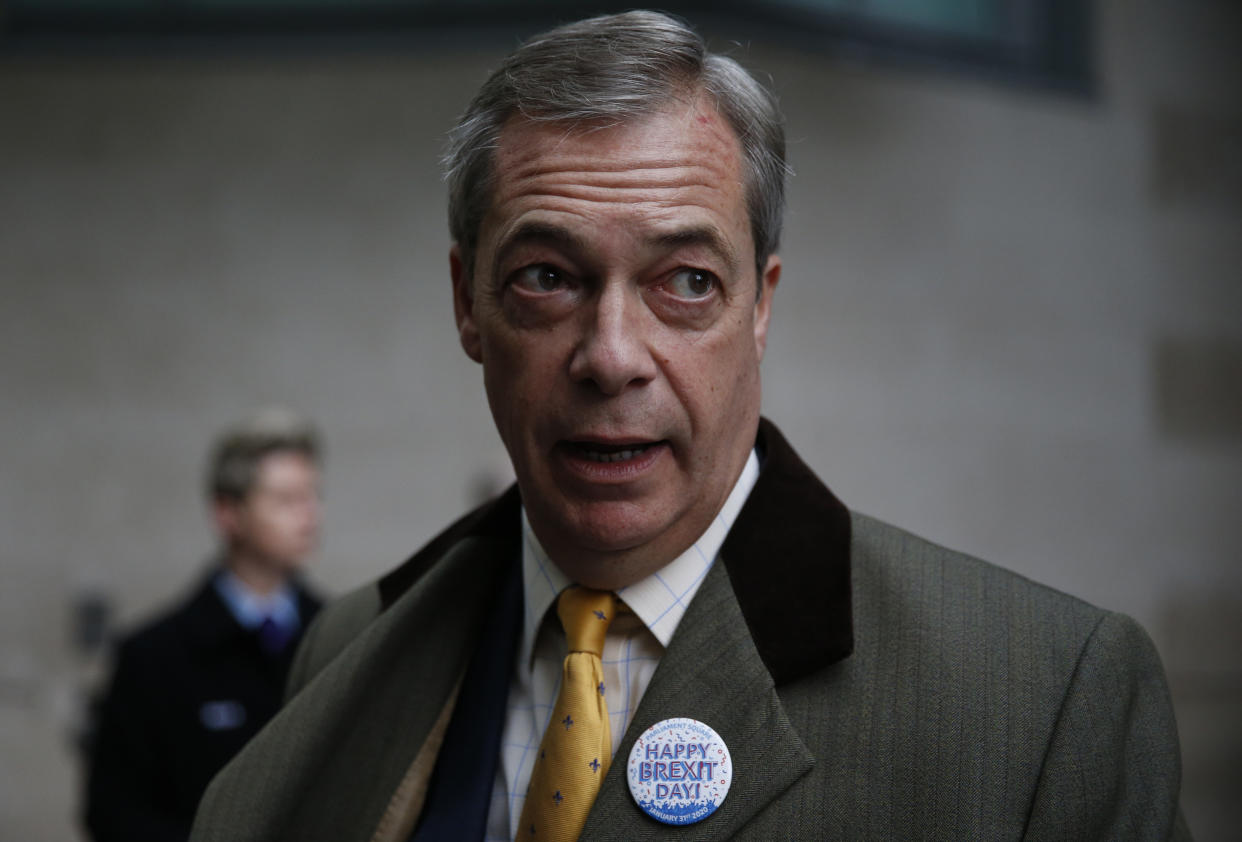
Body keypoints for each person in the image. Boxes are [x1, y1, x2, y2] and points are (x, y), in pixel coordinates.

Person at [190, 11, 1190, 841]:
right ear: (468, 303)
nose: (612, 353)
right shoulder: (351, 648)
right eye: (547, 277)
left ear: (761, 305)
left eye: (687, 282)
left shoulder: (1042, 701)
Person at [86, 408, 324, 842]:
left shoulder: (341, 636)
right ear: (228, 513)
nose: (309, 516)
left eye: (312, 495)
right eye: (286, 500)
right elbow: (113, 814)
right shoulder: (153, 659)